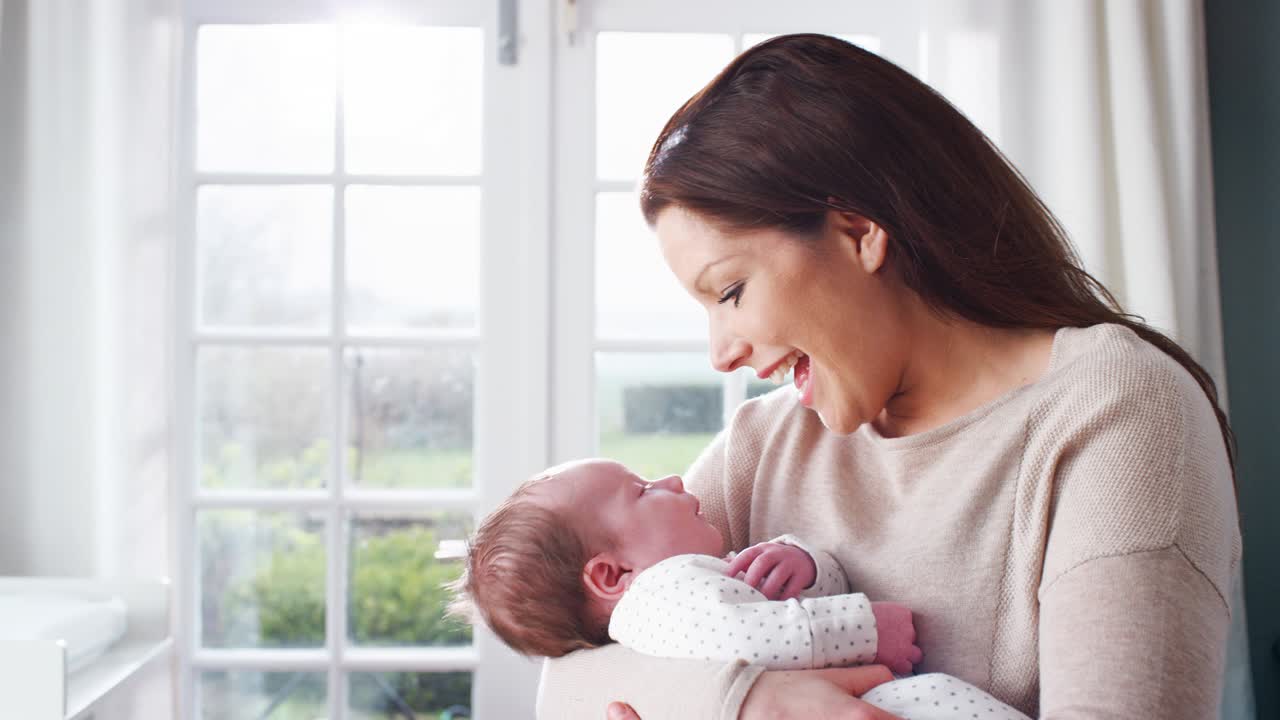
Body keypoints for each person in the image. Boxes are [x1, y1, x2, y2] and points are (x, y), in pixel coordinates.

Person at [536, 33, 1241, 719]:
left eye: (731, 292)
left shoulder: (1116, 411)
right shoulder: (768, 444)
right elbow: (567, 674)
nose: (721, 354)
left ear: (857, 233)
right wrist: (755, 703)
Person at [449, 458, 1028, 720]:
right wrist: (868, 628)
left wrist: (802, 564)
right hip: (874, 701)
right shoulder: (659, 595)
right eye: (644, 490)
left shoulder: (690, 586)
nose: (674, 479)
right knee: (937, 700)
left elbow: (784, 616)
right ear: (612, 575)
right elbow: (755, 636)